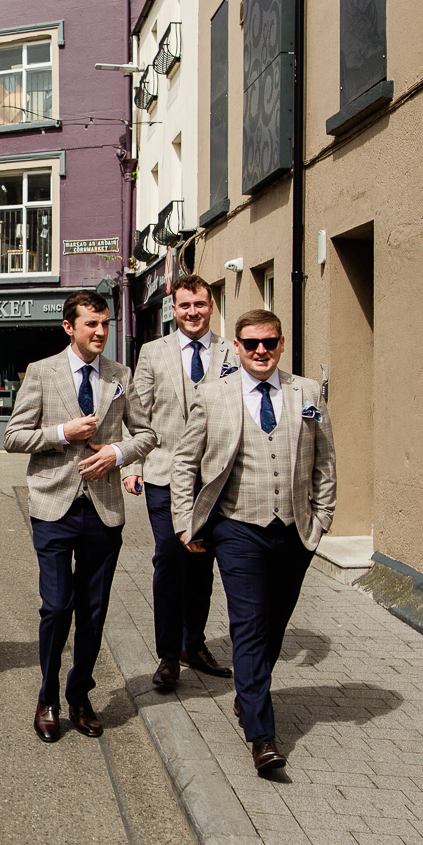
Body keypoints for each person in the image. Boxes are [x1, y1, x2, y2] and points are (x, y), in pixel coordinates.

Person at [172, 309, 335, 775]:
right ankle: (262, 736)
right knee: (248, 623)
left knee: (275, 623)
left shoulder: (306, 392)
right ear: (237, 347)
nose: (260, 351)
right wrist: (185, 521)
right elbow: (186, 463)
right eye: (250, 344)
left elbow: (324, 462)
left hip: (294, 530)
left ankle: (249, 692)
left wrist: (321, 520)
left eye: (269, 342)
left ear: (281, 344)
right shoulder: (212, 395)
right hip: (237, 527)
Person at [4, 290, 154, 743]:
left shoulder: (120, 376)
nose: (101, 332)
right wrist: (60, 432)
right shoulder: (41, 372)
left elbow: (147, 434)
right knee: (56, 606)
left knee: (93, 610)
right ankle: (47, 695)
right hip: (53, 507)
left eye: (105, 324)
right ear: (69, 327)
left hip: (104, 510)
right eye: (91, 324)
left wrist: (117, 452)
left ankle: (80, 694)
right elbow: (13, 436)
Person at [124, 273, 236, 692]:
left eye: (201, 305)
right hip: (163, 473)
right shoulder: (154, 353)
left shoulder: (232, 351)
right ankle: (169, 656)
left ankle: (194, 643)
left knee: (202, 561)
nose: (193, 313)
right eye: (185, 306)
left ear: (211, 306)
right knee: (171, 559)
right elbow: (138, 414)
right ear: (174, 309)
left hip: (214, 478)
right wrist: (131, 466)